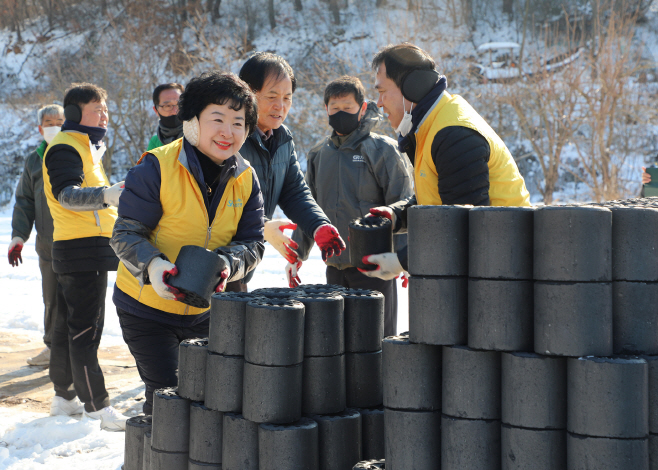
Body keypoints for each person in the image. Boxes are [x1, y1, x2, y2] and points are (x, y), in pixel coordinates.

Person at [110, 71, 265, 415]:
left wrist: (228, 264)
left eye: (238, 122)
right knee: (168, 398)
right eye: (217, 119)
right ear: (192, 121)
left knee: (211, 399)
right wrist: (153, 265)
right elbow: (125, 233)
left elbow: (253, 243)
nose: (228, 132)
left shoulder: (246, 177)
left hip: (208, 310)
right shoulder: (157, 166)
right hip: (146, 309)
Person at [360, 43, 531, 281]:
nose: (378, 103)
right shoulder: (433, 125)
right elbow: (442, 200)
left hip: (504, 268)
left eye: (382, 92)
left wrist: (403, 261)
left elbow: (466, 227)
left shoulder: (454, 134)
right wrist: (396, 216)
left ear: (412, 88)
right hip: (488, 265)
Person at [291, 76, 413, 336]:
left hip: (375, 267)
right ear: (326, 110)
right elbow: (307, 205)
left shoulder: (382, 149)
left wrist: (403, 259)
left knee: (377, 340)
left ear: (362, 107)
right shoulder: (318, 154)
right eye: (334, 108)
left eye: (347, 107)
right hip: (334, 267)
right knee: (337, 343)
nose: (340, 113)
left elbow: (403, 201)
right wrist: (296, 254)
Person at [42, 83, 127, 430]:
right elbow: (67, 194)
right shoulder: (65, 147)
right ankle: (96, 404)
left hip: (81, 246)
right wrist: (108, 195)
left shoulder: (83, 147)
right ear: (76, 113)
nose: (104, 115)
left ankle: (64, 397)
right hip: (81, 248)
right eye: (97, 108)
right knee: (86, 330)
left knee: (67, 325)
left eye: (106, 108)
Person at [233, 52, 345, 292]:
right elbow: (220, 204)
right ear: (247, 94)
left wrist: (318, 225)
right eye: (272, 96)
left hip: (241, 265)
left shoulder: (282, 138)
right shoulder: (230, 137)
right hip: (215, 259)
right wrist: (261, 226)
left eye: (287, 98)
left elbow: (295, 192)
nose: (280, 106)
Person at [9, 104, 64, 366]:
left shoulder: (80, 154)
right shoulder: (34, 160)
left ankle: (80, 353)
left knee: (81, 300)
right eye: (49, 122)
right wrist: (18, 236)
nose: (54, 127)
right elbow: (25, 201)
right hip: (47, 246)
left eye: (59, 121)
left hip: (77, 244)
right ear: (40, 128)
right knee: (51, 299)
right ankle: (53, 348)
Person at [147, 83, 185, 151]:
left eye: (179, 104)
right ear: (156, 111)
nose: (175, 111)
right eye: (167, 106)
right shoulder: (155, 143)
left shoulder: (198, 135)